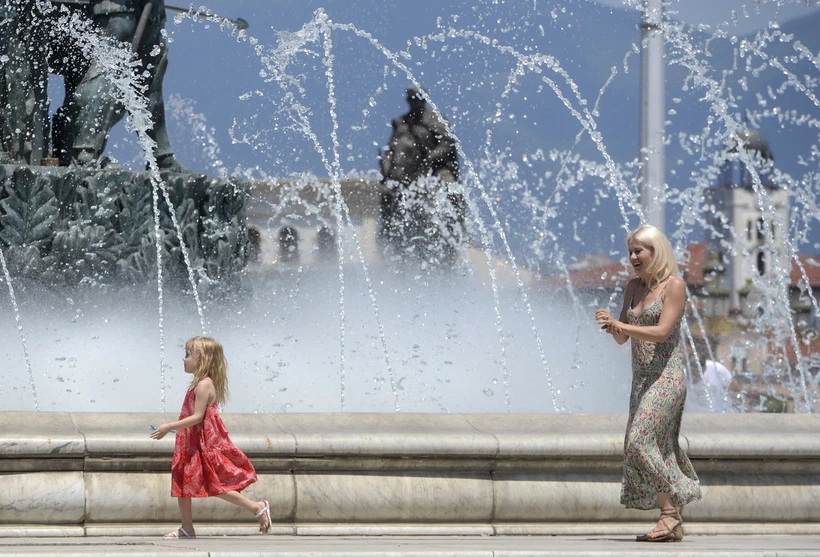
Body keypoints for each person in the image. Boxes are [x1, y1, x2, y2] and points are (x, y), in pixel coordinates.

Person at [595, 225, 701, 543]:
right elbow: (622, 338)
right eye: (630, 251)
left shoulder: (675, 286)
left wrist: (621, 324)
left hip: (667, 378)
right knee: (645, 447)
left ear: (656, 252)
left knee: (640, 441)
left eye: (639, 251)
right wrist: (611, 326)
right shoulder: (632, 287)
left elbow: (662, 332)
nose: (633, 257)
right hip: (641, 381)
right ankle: (671, 519)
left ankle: (673, 507)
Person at [150, 336, 271, 539]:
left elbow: (197, 417)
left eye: (188, 354)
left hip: (203, 445)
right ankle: (186, 528)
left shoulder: (204, 385)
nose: (183, 359)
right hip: (191, 443)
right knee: (181, 481)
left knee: (215, 485)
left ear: (202, 359)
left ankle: (257, 507)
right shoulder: (198, 384)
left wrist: (168, 426)